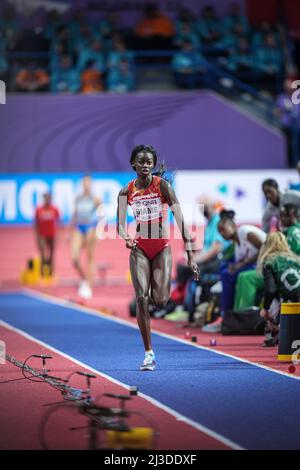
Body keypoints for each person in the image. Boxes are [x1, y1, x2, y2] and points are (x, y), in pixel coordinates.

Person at [117, 144, 199, 371]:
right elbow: (120, 225)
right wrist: (126, 237)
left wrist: (191, 256)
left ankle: (158, 290)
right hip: (140, 248)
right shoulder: (126, 192)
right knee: (142, 298)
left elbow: (181, 221)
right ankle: (149, 352)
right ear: (133, 163)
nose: (145, 166)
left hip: (162, 248)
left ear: (153, 165)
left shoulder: (163, 186)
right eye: (141, 162)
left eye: (149, 162)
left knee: (160, 300)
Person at [203, 210, 266, 333]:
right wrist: (236, 266)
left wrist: (240, 265)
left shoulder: (244, 231)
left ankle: (225, 315)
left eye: (223, 229)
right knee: (226, 271)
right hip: (255, 266)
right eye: (219, 231)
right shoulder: (237, 247)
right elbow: (241, 262)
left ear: (232, 226)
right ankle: (229, 316)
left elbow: (264, 247)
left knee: (229, 274)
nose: (222, 233)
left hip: (267, 264)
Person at [258, 232, 300, 346]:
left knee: (271, 301)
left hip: (291, 301)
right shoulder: (295, 259)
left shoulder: (269, 261)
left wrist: (265, 308)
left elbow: (270, 290)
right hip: (295, 297)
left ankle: (275, 330)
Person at [71, 176, 101, 299]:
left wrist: (97, 231)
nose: (86, 186)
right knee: (74, 258)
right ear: (82, 184)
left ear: (91, 185)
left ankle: (88, 286)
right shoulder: (78, 198)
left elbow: (102, 215)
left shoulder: (96, 199)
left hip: (91, 228)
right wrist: (68, 232)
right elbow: (75, 215)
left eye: (88, 184)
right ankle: (83, 278)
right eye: (85, 183)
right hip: (79, 228)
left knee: (90, 257)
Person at [34, 193, 60, 277]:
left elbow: (59, 222)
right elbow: (35, 223)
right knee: (42, 252)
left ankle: (50, 271)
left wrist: (58, 236)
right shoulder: (39, 210)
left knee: (51, 253)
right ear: (44, 199)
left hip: (52, 234)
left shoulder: (54, 209)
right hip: (42, 235)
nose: (48, 200)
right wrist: (37, 236)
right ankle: (42, 271)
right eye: (46, 198)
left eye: (49, 198)